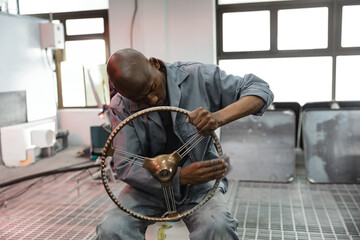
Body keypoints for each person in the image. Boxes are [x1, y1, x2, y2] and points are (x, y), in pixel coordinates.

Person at [96, 48, 274, 240]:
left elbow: (259, 89)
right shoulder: (120, 106)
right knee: (112, 229)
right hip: (147, 189)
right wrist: (180, 177)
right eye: (140, 100)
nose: (153, 100)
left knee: (217, 225)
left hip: (200, 186)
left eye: (151, 88)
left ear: (155, 63)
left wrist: (218, 117)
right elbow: (126, 164)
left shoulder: (198, 76)